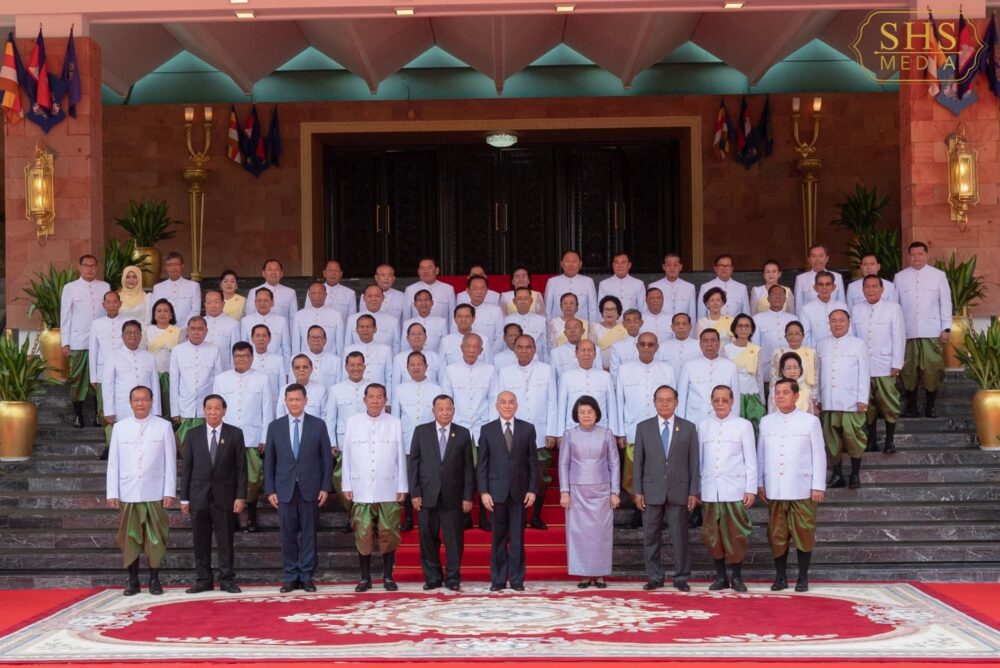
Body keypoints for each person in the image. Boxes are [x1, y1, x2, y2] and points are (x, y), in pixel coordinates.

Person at [105, 385, 176, 596]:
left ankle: (154, 579)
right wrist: (112, 493)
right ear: (130, 403)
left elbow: (170, 461)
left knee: (155, 538)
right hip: (128, 492)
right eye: (136, 400)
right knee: (130, 538)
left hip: (154, 491)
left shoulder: (163, 427)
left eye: (145, 399)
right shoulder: (120, 427)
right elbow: (113, 463)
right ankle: (133, 580)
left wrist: (169, 491)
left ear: (152, 401)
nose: (141, 403)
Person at [757, 378, 826, 592]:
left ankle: (803, 577)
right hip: (775, 488)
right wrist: (760, 482)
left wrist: (818, 486)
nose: (780, 396)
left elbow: (819, 455)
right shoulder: (766, 421)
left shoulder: (809, 421)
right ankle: (780, 577)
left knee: (804, 532)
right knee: (777, 534)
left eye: (785, 392)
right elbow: (761, 455)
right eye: (777, 392)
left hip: (802, 487)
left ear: (796, 396)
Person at [264, 384, 334, 593]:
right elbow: (269, 461)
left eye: (298, 399)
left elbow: (326, 460)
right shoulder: (275, 427)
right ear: (285, 401)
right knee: (287, 535)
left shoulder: (318, 425)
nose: (294, 403)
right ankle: (290, 576)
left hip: (310, 489)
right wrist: (270, 490)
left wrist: (325, 487)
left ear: (306, 401)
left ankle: (306, 576)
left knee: (309, 534)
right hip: (284, 489)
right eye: (290, 400)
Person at [632, 385, 699, 592]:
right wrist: (638, 491)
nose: (664, 403)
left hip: (679, 491)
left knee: (680, 538)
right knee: (651, 537)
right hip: (651, 491)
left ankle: (681, 577)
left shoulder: (688, 428)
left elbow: (694, 463)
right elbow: (638, 463)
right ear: (654, 402)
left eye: (669, 399)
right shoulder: (643, 428)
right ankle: (654, 576)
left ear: (676, 402)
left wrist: (693, 491)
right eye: (660, 399)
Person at [341, 384, 408, 592]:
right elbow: (347, 456)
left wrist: (402, 486)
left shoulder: (394, 423)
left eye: (380, 397)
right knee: (363, 533)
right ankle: (365, 578)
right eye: (371, 397)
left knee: (388, 533)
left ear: (385, 400)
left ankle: (388, 577)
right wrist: (347, 484)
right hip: (361, 488)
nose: (375, 401)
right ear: (364, 400)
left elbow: (400, 457)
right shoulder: (353, 422)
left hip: (387, 487)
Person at [179, 394, 247, 594]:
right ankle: (203, 579)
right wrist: (184, 497)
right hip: (198, 496)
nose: (213, 412)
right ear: (204, 410)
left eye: (217, 408)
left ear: (224, 411)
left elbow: (241, 468)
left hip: (225, 496)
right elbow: (187, 468)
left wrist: (240, 496)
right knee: (200, 540)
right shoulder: (193, 435)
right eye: (209, 408)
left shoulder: (235, 434)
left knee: (226, 540)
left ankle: (226, 579)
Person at [408, 395, 475, 590]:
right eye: (441, 409)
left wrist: (468, 496)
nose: (445, 412)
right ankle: (432, 577)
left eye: (448, 409)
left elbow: (468, 468)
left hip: (453, 497)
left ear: (454, 410)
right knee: (428, 539)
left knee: (454, 540)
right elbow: (413, 464)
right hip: (427, 495)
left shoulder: (462, 433)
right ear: (434, 411)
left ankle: (453, 578)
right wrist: (415, 492)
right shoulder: (421, 432)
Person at [478, 391, 540, 592]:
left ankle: (516, 579)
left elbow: (533, 462)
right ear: (496, 406)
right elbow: (482, 464)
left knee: (517, 538)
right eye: (503, 402)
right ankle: (497, 580)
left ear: (517, 405)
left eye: (511, 402)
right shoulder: (487, 430)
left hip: (520, 493)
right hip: (495, 494)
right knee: (497, 538)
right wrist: (484, 492)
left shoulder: (527, 429)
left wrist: (532, 489)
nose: (507, 406)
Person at [495, 335, 558, 530]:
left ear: (534, 349)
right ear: (514, 350)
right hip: (513, 434)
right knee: (516, 476)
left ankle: (536, 516)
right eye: (520, 347)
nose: (524, 350)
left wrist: (552, 431)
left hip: (539, 432)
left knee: (541, 477)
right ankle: (518, 517)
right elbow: (500, 403)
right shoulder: (505, 372)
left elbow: (552, 401)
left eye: (528, 347)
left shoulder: (546, 370)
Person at [698, 386, 756, 592]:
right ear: (711, 401)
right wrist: (697, 489)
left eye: (724, 400)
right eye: (716, 400)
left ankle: (737, 577)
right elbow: (700, 460)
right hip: (710, 490)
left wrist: (751, 489)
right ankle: (721, 576)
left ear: (732, 402)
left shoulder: (743, 425)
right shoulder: (703, 426)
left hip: (734, 490)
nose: (720, 404)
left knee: (736, 535)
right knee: (712, 535)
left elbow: (750, 459)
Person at [615, 332, 676, 529]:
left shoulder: (667, 370)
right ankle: (637, 511)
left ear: (657, 347)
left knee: (659, 472)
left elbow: (674, 401)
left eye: (651, 344)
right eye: (643, 344)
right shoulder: (625, 370)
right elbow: (618, 402)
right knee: (634, 473)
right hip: (633, 430)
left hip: (662, 429)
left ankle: (659, 512)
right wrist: (620, 432)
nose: (647, 348)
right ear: (637, 346)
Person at [212, 341, 274, 533]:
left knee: (253, 478)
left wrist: (265, 437)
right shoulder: (221, 379)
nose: (241, 359)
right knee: (227, 477)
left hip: (252, 436)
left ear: (252, 357)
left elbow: (267, 409)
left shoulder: (262, 379)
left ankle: (252, 516)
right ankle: (233, 518)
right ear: (233, 358)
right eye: (237, 356)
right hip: (227, 437)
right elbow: (215, 409)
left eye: (245, 356)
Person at [559, 395, 620, 588]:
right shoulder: (569, 434)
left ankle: (600, 574)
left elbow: (614, 463)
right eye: (582, 412)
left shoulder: (606, 433)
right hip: (577, 491)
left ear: (597, 413)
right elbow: (563, 463)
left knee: (601, 535)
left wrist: (615, 491)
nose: (586, 416)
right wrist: (564, 491)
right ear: (576, 415)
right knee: (579, 534)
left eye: (590, 412)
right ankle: (583, 574)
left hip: (602, 490)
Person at [894, 241, 952, 418]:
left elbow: (946, 302)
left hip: (931, 331)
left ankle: (930, 406)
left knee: (932, 369)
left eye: (920, 254)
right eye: (913, 254)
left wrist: (946, 327)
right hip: (908, 332)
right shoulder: (900, 277)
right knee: (909, 370)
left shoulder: (938, 275)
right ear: (908, 256)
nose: (916, 257)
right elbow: (895, 306)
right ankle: (911, 406)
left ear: (927, 255)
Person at [390, 350, 444, 531]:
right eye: (412, 365)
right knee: (407, 477)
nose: (415, 367)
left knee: (428, 477)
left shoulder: (437, 389)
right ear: (406, 368)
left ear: (426, 366)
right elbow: (396, 417)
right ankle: (407, 519)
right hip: (406, 439)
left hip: (430, 441)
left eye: (419, 364)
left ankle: (428, 516)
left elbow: (439, 416)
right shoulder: (399, 389)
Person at [852, 275, 905, 454]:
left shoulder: (893, 308)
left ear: (882, 289)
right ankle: (872, 440)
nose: (871, 290)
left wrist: (897, 362)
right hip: (863, 367)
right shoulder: (856, 309)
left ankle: (890, 440)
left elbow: (898, 336)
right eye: (867, 286)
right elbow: (852, 338)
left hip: (885, 365)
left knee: (889, 403)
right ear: (862, 289)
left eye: (875, 286)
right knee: (867, 406)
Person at [817, 309, 870, 489]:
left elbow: (864, 373)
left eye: (841, 320)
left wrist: (863, 398)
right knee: (831, 439)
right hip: (829, 400)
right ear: (829, 323)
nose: (837, 324)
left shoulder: (858, 344)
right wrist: (818, 399)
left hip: (851, 401)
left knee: (853, 437)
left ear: (848, 322)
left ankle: (855, 474)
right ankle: (837, 474)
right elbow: (818, 373)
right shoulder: (822, 344)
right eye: (833, 321)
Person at [61, 254, 110, 427]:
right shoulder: (70, 288)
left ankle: (99, 415)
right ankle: (78, 415)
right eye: (86, 265)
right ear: (80, 267)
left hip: (101, 343)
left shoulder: (105, 286)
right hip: (78, 341)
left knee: (101, 379)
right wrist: (65, 342)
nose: (90, 269)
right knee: (77, 379)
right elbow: (65, 316)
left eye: (93, 266)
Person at [170, 316, 224, 445]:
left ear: (206, 331)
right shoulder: (177, 350)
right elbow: (174, 383)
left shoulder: (214, 350)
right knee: (184, 446)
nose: (196, 332)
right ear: (187, 331)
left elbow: (219, 381)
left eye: (200, 329)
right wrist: (175, 411)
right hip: (184, 408)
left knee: (207, 445)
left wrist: (218, 408)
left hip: (208, 410)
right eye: (193, 329)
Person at [103, 321, 162, 430]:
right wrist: (109, 411)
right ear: (122, 336)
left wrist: (157, 410)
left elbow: (155, 385)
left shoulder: (149, 357)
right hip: (122, 408)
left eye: (136, 332)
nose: (132, 335)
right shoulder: (112, 356)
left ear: (140, 335)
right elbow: (108, 385)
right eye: (128, 332)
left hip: (146, 408)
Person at [557, 340, 620, 437]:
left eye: (590, 350)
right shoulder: (566, 377)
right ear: (576, 354)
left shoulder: (605, 376)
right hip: (573, 430)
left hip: (601, 430)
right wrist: (560, 434)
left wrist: (613, 433)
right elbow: (562, 408)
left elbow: (611, 407)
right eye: (583, 350)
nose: (586, 354)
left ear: (595, 354)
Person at [677, 329, 740, 425]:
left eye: (713, 340)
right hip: (695, 420)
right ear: (700, 344)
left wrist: (734, 422)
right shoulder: (689, 366)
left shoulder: (730, 366)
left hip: (722, 421)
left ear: (719, 344)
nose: (709, 344)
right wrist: (681, 423)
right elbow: (681, 398)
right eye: (705, 341)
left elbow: (735, 398)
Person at [89, 291, 127, 443]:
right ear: (103, 305)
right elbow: (93, 350)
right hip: (102, 373)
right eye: (108, 302)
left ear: (120, 303)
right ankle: (108, 443)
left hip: (123, 373)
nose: (112, 305)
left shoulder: (128, 322)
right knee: (104, 409)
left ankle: (120, 441)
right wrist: (93, 377)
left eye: (114, 302)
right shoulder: (96, 324)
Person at [725, 315, 766, 432]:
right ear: (734, 329)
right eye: (740, 326)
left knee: (754, 429)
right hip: (734, 395)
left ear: (751, 330)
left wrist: (762, 401)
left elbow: (759, 377)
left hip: (752, 395)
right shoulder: (726, 349)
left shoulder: (756, 349)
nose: (743, 329)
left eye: (747, 326)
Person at [752, 285, 797, 389]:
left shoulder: (793, 319)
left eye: (781, 295)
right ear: (768, 298)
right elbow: (755, 348)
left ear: (785, 299)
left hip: (789, 371)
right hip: (766, 371)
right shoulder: (757, 319)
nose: (777, 297)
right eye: (774, 294)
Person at [343, 314, 393, 401]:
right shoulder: (349, 349)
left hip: (378, 399)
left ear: (375, 329)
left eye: (368, 326)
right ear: (357, 330)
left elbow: (389, 378)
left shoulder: (385, 349)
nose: (365, 329)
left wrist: (388, 402)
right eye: (362, 327)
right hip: (354, 396)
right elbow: (345, 376)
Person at [148, 298, 183, 418]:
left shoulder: (179, 331)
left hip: (171, 375)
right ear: (154, 314)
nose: (162, 314)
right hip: (151, 374)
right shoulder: (146, 331)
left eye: (166, 311)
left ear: (171, 315)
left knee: (169, 406)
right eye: (159, 311)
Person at [798, 271, 850, 348]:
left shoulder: (842, 307)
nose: (824, 287)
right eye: (820, 284)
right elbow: (805, 337)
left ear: (834, 287)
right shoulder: (806, 309)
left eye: (828, 284)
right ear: (815, 288)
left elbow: (849, 332)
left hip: (842, 352)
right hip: (817, 354)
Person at [293, 282, 345, 358]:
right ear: (309, 295)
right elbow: (296, 343)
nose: (317, 296)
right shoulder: (299, 315)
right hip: (306, 360)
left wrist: (340, 361)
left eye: (320, 293)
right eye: (313, 293)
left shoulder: (336, 315)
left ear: (325, 295)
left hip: (330, 360)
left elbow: (340, 343)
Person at [241, 288, 291, 366]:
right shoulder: (246, 321)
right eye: (259, 300)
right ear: (255, 302)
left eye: (266, 300)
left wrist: (287, 371)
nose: (262, 303)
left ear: (272, 302)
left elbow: (286, 347)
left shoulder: (282, 321)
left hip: (275, 365)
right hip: (253, 365)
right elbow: (244, 347)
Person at [545, 250, 598, 322]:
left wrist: (592, 329)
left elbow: (593, 308)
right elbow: (548, 308)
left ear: (580, 264)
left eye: (574, 261)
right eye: (567, 261)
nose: (571, 264)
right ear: (561, 264)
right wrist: (549, 326)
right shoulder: (552, 282)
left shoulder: (588, 281)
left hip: (582, 327)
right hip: (558, 326)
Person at [347, 284, 401, 356]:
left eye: (377, 296)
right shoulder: (352, 319)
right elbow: (348, 346)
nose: (373, 299)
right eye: (370, 296)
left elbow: (396, 347)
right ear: (364, 298)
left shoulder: (393, 321)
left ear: (383, 298)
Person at [152, 252, 201, 329]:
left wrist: (182, 328)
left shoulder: (193, 286)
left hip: (185, 330)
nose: (173, 268)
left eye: (176, 264)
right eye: (170, 265)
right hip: (163, 330)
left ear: (182, 266)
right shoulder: (158, 288)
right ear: (166, 267)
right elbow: (154, 310)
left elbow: (195, 310)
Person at [645, 253, 697, 326]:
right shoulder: (653, 286)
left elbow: (692, 314)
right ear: (664, 267)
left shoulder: (689, 287)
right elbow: (648, 311)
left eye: (675, 265)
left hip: (682, 328)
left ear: (680, 267)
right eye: (668, 265)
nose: (672, 268)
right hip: (660, 326)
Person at [246, 259, 299, 324]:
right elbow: (249, 316)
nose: (273, 272)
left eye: (276, 270)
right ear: (263, 273)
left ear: (281, 273)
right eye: (269, 269)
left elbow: (293, 319)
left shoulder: (290, 292)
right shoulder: (253, 291)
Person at [502, 287, 549, 361]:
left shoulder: (541, 320)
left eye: (526, 298)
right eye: (519, 298)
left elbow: (545, 346)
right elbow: (504, 344)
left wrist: (546, 362)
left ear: (531, 301)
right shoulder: (507, 320)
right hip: (513, 361)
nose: (523, 301)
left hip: (537, 361)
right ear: (514, 301)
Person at [276, 355, 328, 420]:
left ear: (311, 369)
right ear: (293, 370)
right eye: (297, 368)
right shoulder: (284, 389)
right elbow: (280, 416)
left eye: (305, 367)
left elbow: (325, 416)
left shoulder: (321, 390)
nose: (301, 370)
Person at [697, 254, 750, 318]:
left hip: (734, 327)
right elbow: (701, 315)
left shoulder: (742, 288)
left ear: (732, 269)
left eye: (727, 266)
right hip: (712, 326)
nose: (724, 268)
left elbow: (746, 314)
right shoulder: (705, 287)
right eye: (721, 266)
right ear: (715, 268)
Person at [391, 323, 440, 390]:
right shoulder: (398, 358)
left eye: (420, 333)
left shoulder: (435, 357)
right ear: (407, 338)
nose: (416, 336)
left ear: (425, 337)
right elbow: (395, 386)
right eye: (413, 334)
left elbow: (441, 382)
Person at [404, 257, 456, 321]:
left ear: (437, 270)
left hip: (441, 330)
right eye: (422, 268)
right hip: (418, 330)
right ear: (418, 271)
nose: (425, 271)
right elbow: (406, 317)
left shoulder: (448, 289)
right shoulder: (410, 290)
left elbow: (453, 315)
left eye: (429, 268)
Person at [769, 321, 817, 389]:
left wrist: (813, 397)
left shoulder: (811, 353)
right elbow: (774, 378)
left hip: (806, 393)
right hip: (785, 393)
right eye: (790, 334)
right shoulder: (779, 353)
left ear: (803, 336)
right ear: (785, 337)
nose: (793, 337)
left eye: (797, 334)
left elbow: (815, 378)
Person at [203, 290, 241, 371]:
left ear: (223, 304)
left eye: (216, 302)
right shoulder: (199, 323)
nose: (213, 306)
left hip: (224, 370)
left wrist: (233, 371)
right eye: (209, 303)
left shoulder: (233, 324)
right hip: (202, 369)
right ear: (205, 305)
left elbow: (235, 351)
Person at [465, 275, 505, 350]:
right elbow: (456, 335)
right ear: (467, 290)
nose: (479, 291)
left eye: (482, 288)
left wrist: (489, 354)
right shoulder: (460, 310)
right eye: (475, 288)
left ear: (487, 291)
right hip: (467, 355)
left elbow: (500, 336)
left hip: (489, 355)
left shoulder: (496, 311)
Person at [659, 313, 701, 380]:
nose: (681, 326)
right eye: (677, 324)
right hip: (669, 385)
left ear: (690, 327)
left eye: (684, 324)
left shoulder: (699, 345)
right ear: (672, 327)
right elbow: (659, 368)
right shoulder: (663, 346)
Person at [608, 309, 644, 385]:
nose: (632, 324)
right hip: (626, 386)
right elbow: (614, 373)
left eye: (635, 321)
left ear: (641, 323)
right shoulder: (617, 346)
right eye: (628, 321)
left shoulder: (650, 343)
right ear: (624, 324)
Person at [250, 324, 286, 400]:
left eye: (264, 335)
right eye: (257, 335)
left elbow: (282, 386)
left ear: (269, 338)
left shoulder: (278, 360)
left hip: (273, 403)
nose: (261, 339)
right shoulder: (247, 360)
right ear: (252, 339)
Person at [591, 296, 627, 371]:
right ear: (601, 312)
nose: (609, 312)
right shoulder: (595, 327)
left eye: (613, 309)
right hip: (600, 368)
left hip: (621, 368)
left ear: (618, 312)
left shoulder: (624, 328)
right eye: (606, 310)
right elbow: (591, 350)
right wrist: (600, 366)